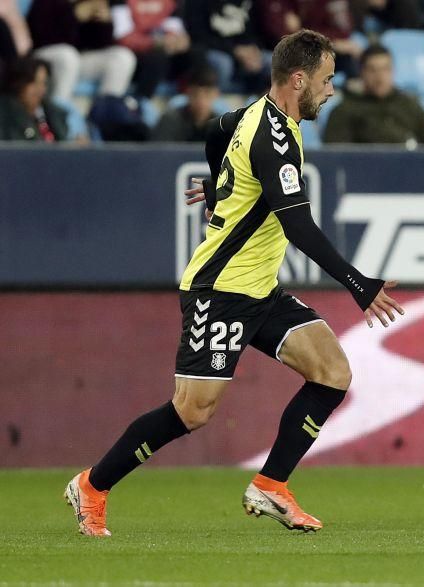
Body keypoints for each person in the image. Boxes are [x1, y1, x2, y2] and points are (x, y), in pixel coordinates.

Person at [64, 29, 405, 537]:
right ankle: (91, 485)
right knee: (192, 411)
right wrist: (359, 284)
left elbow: (214, 128)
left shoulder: (256, 115)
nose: (332, 91)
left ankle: (271, 484)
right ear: (298, 79)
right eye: (327, 80)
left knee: (332, 371)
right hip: (218, 290)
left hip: (259, 290)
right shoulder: (275, 139)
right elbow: (299, 227)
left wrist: (221, 181)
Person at [322, 44, 424, 145]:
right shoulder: (344, 111)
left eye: (385, 69)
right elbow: (337, 156)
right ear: (362, 72)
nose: (380, 77)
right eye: (373, 70)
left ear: (393, 71)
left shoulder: (411, 107)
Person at [27, 0, 137, 101]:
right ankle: (58, 115)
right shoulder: (48, 3)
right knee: (68, 56)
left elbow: (100, 44)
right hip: (45, 56)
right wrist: (73, 16)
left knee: (122, 57)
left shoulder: (90, 3)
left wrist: (105, 23)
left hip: (78, 58)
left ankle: (106, 114)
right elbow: (42, 38)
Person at [111, 0, 202, 99]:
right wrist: (154, 42)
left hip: (163, 50)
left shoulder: (170, 2)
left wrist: (178, 41)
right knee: (157, 58)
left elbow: (173, 29)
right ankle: (141, 101)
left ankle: (189, 100)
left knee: (196, 54)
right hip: (134, 56)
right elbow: (122, 37)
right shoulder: (120, 1)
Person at [257, 0, 364, 78]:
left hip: (318, 45)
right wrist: (328, 40)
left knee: (358, 43)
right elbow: (280, 35)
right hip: (274, 52)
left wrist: (301, 30)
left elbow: (343, 29)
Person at [184, 0, 271, 93]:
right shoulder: (197, 3)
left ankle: (264, 98)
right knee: (224, 63)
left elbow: (255, 30)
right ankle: (220, 99)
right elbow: (199, 35)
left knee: (271, 60)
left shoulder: (248, 3)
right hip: (212, 49)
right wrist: (234, 50)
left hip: (244, 49)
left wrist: (253, 49)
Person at [0, 56, 68, 141]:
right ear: (18, 84)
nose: (39, 89)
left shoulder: (53, 114)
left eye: (43, 83)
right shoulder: (6, 115)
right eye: (33, 82)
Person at [151, 65, 220, 141]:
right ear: (187, 93)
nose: (201, 101)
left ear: (216, 94)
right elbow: (160, 151)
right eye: (195, 94)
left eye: (207, 94)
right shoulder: (170, 121)